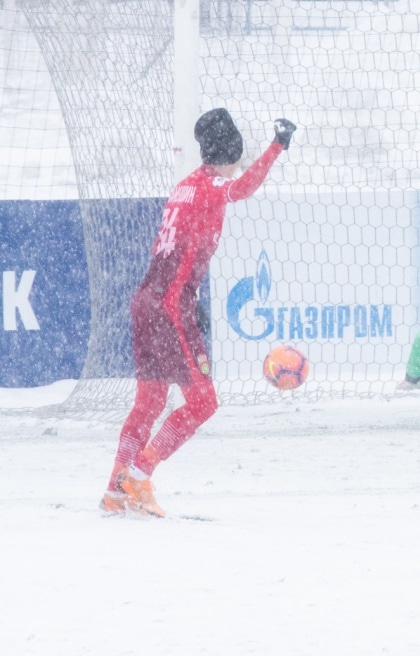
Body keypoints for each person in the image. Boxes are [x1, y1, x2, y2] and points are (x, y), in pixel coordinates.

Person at [99, 108, 297, 517]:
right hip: (171, 305)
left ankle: (114, 491)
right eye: (238, 155)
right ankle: (138, 474)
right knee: (204, 403)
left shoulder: (184, 186)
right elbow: (242, 187)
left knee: (149, 404)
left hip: (148, 302)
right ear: (231, 152)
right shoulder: (213, 185)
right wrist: (278, 146)